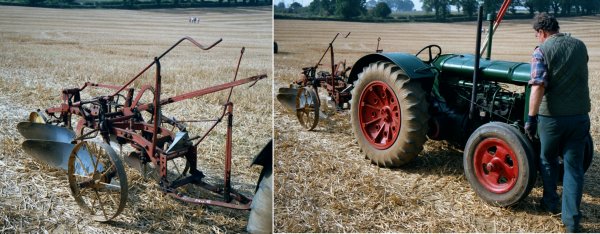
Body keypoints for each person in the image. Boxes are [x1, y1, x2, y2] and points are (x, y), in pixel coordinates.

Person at [524, 12, 590, 233]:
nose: (537, 39)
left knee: (548, 159)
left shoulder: (541, 51)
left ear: (541, 32)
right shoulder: (580, 46)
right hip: (580, 116)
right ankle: (571, 220)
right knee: (574, 168)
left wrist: (531, 118)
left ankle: (550, 203)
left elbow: (538, 85)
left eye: (536, 35)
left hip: (551, 119)